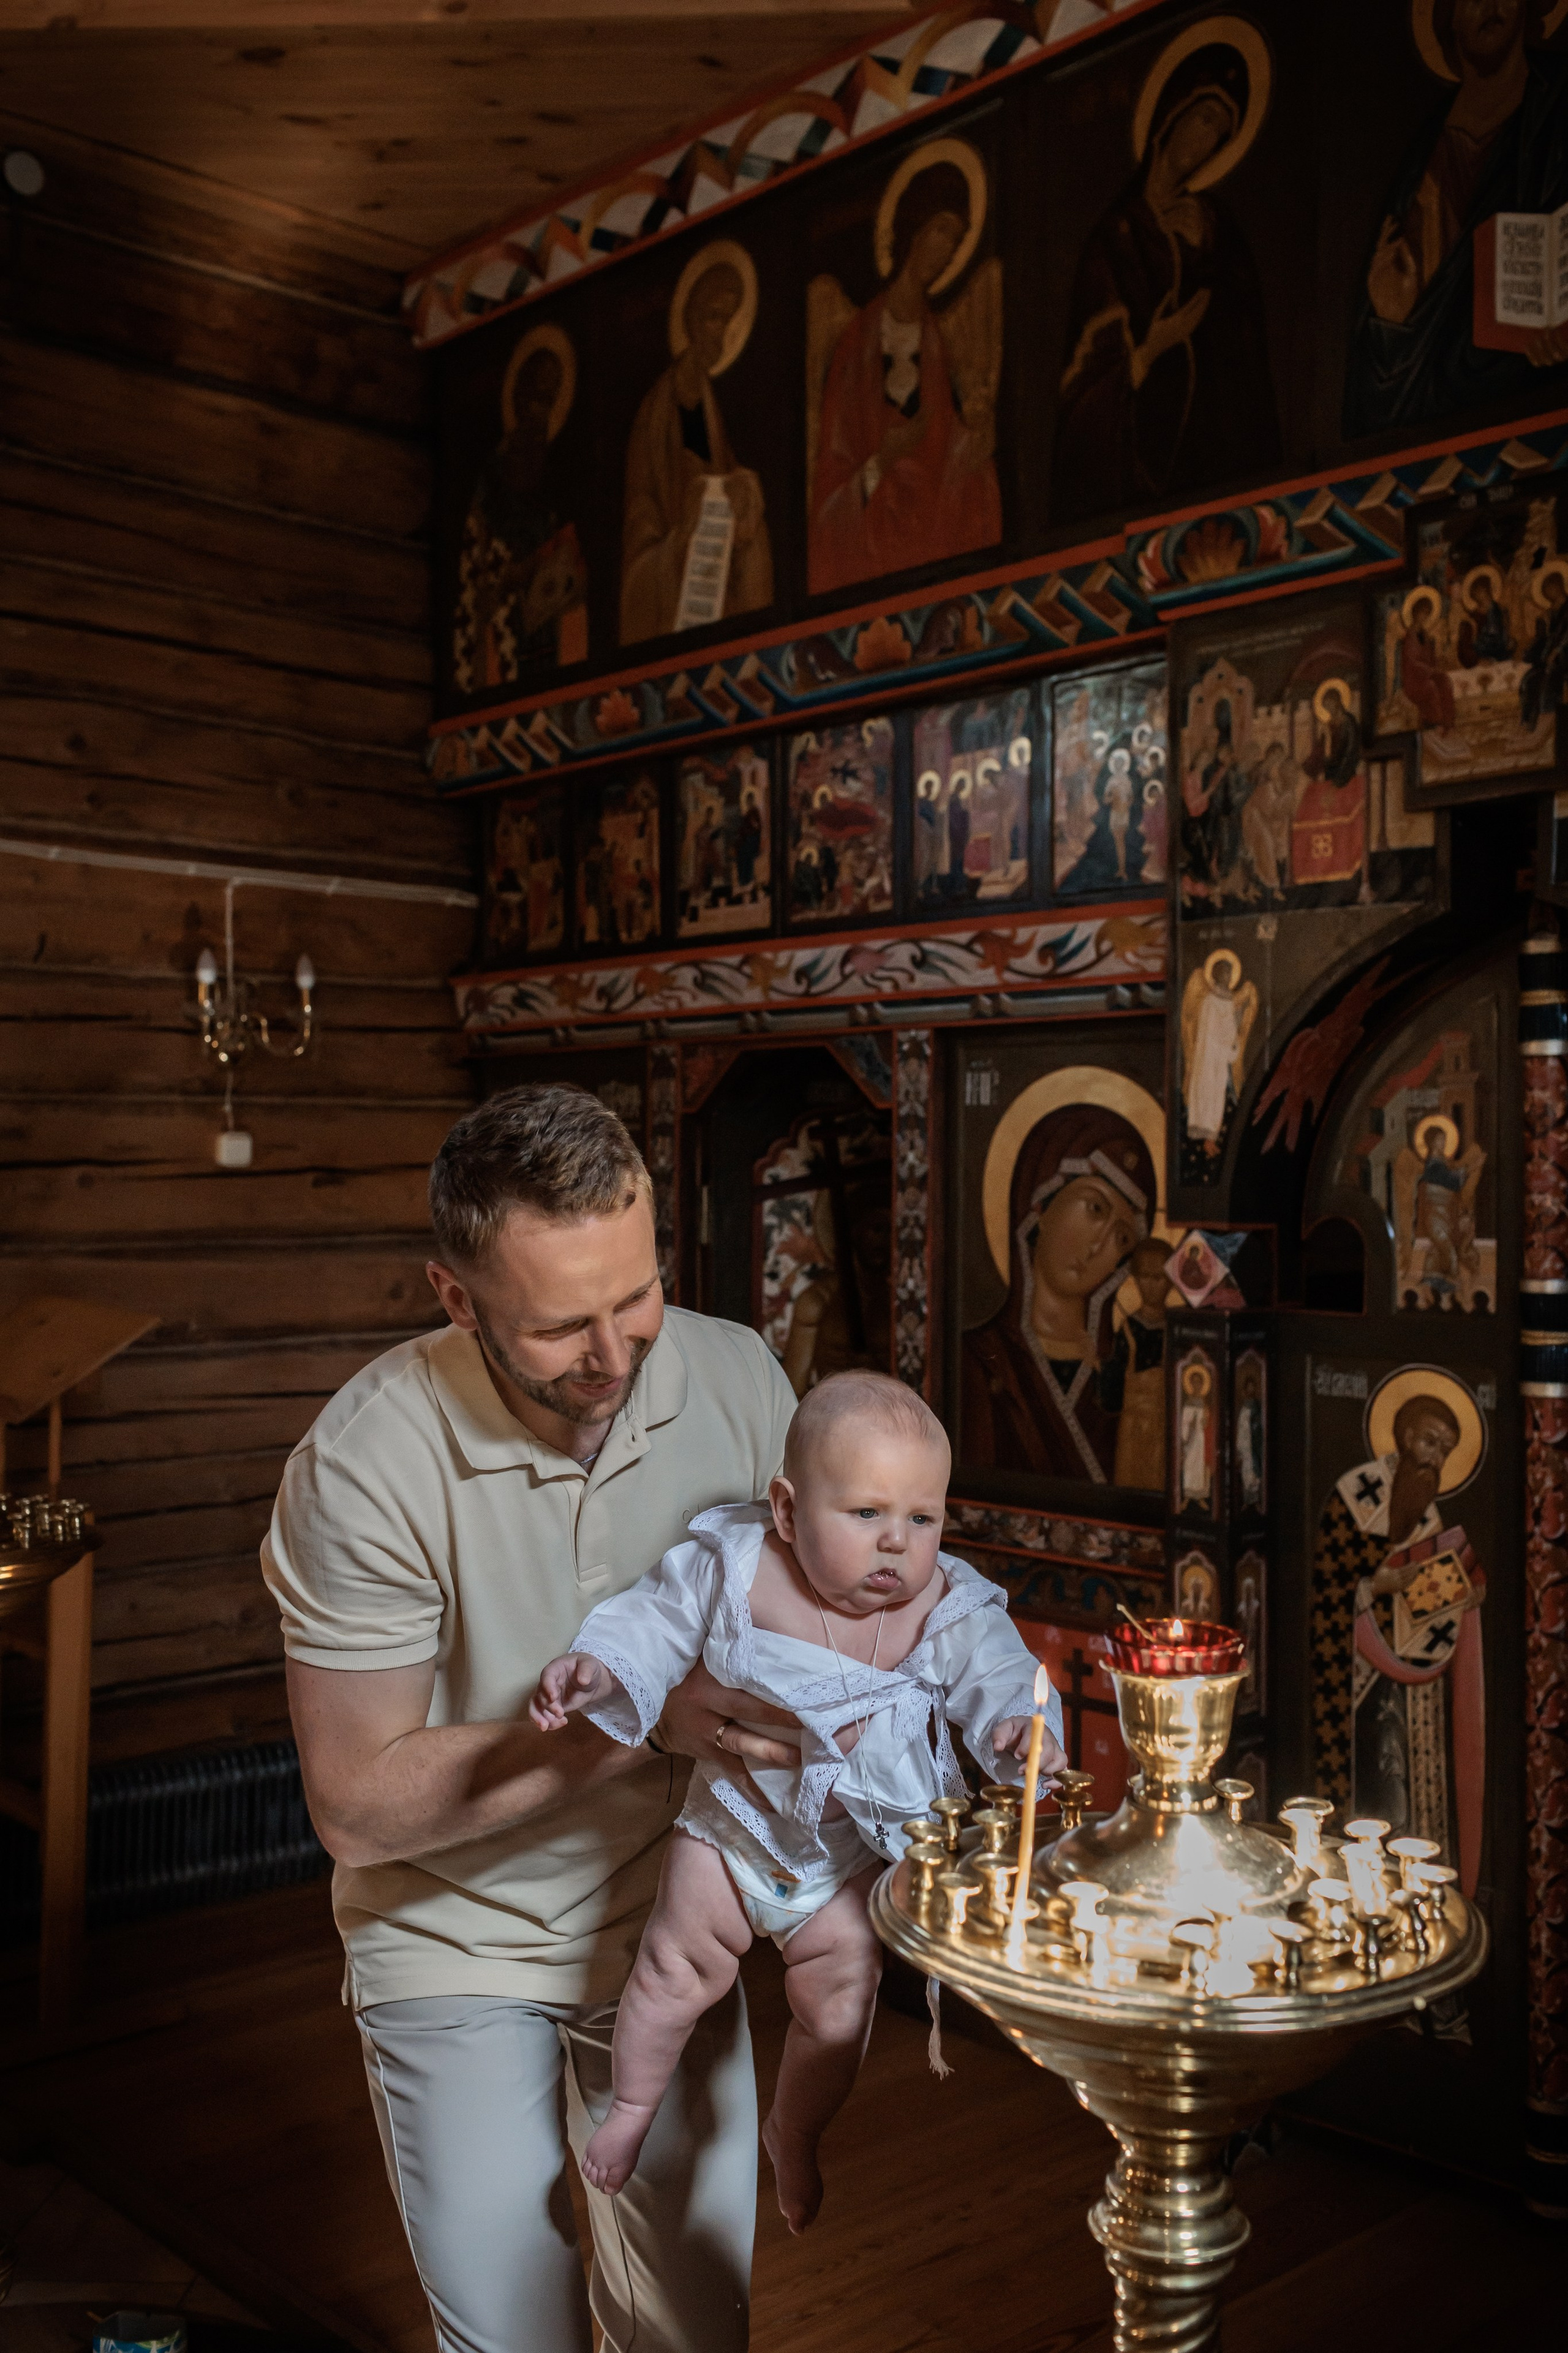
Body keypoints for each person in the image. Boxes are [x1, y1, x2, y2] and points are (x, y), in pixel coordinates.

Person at [263, 1084, 801, 2353]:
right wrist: (642, 1722)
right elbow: (352, 1803)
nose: (616, 1353)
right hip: (448, 1928)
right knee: (516, 2338)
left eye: (636, 1294)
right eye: (562, 1325)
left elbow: (805, 1629)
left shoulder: (736, 1376)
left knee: (691, 2330)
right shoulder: (363, 1466)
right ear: (456, 1299)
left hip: (666, 1924)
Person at [528, 1372, 1065, 2230]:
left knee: (841, 2003)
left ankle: (795, 2130)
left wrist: (1014, 1730)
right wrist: (601, 1670)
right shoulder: (736, 1566)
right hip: (734, 1826)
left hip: (845, 1853)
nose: (897, 1544)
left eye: (921, 1519)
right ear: (786, 1509)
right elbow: (651, 1622)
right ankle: (632, 2106)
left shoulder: (946, 1603)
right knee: (674, 1967)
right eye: (866, 1514)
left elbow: (1004, 1675)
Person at [1051, 39, 1280, 521]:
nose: (1206, 142)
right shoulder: (1114, 239)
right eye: (1204, 120)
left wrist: (1204, 255)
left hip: (1216, 462)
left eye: (1220, 133)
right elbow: (1079, 397)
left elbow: (1245, 346)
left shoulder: (1216, 226)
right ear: (1171, 116)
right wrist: (1150, 351)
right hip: (1135, 469)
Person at [1344, 0, 1568, 438]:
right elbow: (1379, 389)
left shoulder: (1561, 100)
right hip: (1440, 410)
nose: (1490, 4)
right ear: (1448, 20)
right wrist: (1390, 322)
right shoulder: (1423, 156)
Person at [809, 158, 1001, 593]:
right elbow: (832, 481)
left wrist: (977, 436)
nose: (947, 250)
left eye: (955, 240)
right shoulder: (857, 345)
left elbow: (948, 449)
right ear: (914, 230)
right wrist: (882, 461)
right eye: (941, 231)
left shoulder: (937, 345)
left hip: (931, 532)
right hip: (869, 537)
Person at [960, 1105, 1156, 1482]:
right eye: (1095, 1208)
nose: (1100, 1245)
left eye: (1122, 1238)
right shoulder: (979, 1360)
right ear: (1041, 1203)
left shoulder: (1123, 1371)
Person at [620, 259, 773, 646]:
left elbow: (724, 478)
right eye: (713, 317)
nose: (720, 332)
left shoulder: (709, 411)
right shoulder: (656, 414)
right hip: (672, 576)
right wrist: (679, 539)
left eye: (728, 320)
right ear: (690, 320)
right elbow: (640, 525)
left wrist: (742, 492)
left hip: (712, 565)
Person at [1096, 1236, 1169, 1491]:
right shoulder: (1127, 1330)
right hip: (1133, 1435)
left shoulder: (1176, 1330)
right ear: (1136, 1280)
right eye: (1145, 1277)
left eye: (1159, 1278)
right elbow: (1111, 1398)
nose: (1152, 1286)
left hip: (1166, 1434)